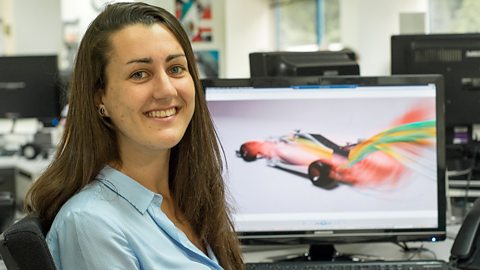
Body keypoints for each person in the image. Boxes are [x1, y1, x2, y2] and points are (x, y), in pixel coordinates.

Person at [24, 2, 244, 269]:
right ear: (99, 98)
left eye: (176, 69)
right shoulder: (91, 224)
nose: (166, 91)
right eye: (140, 74)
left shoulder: (189, 196)